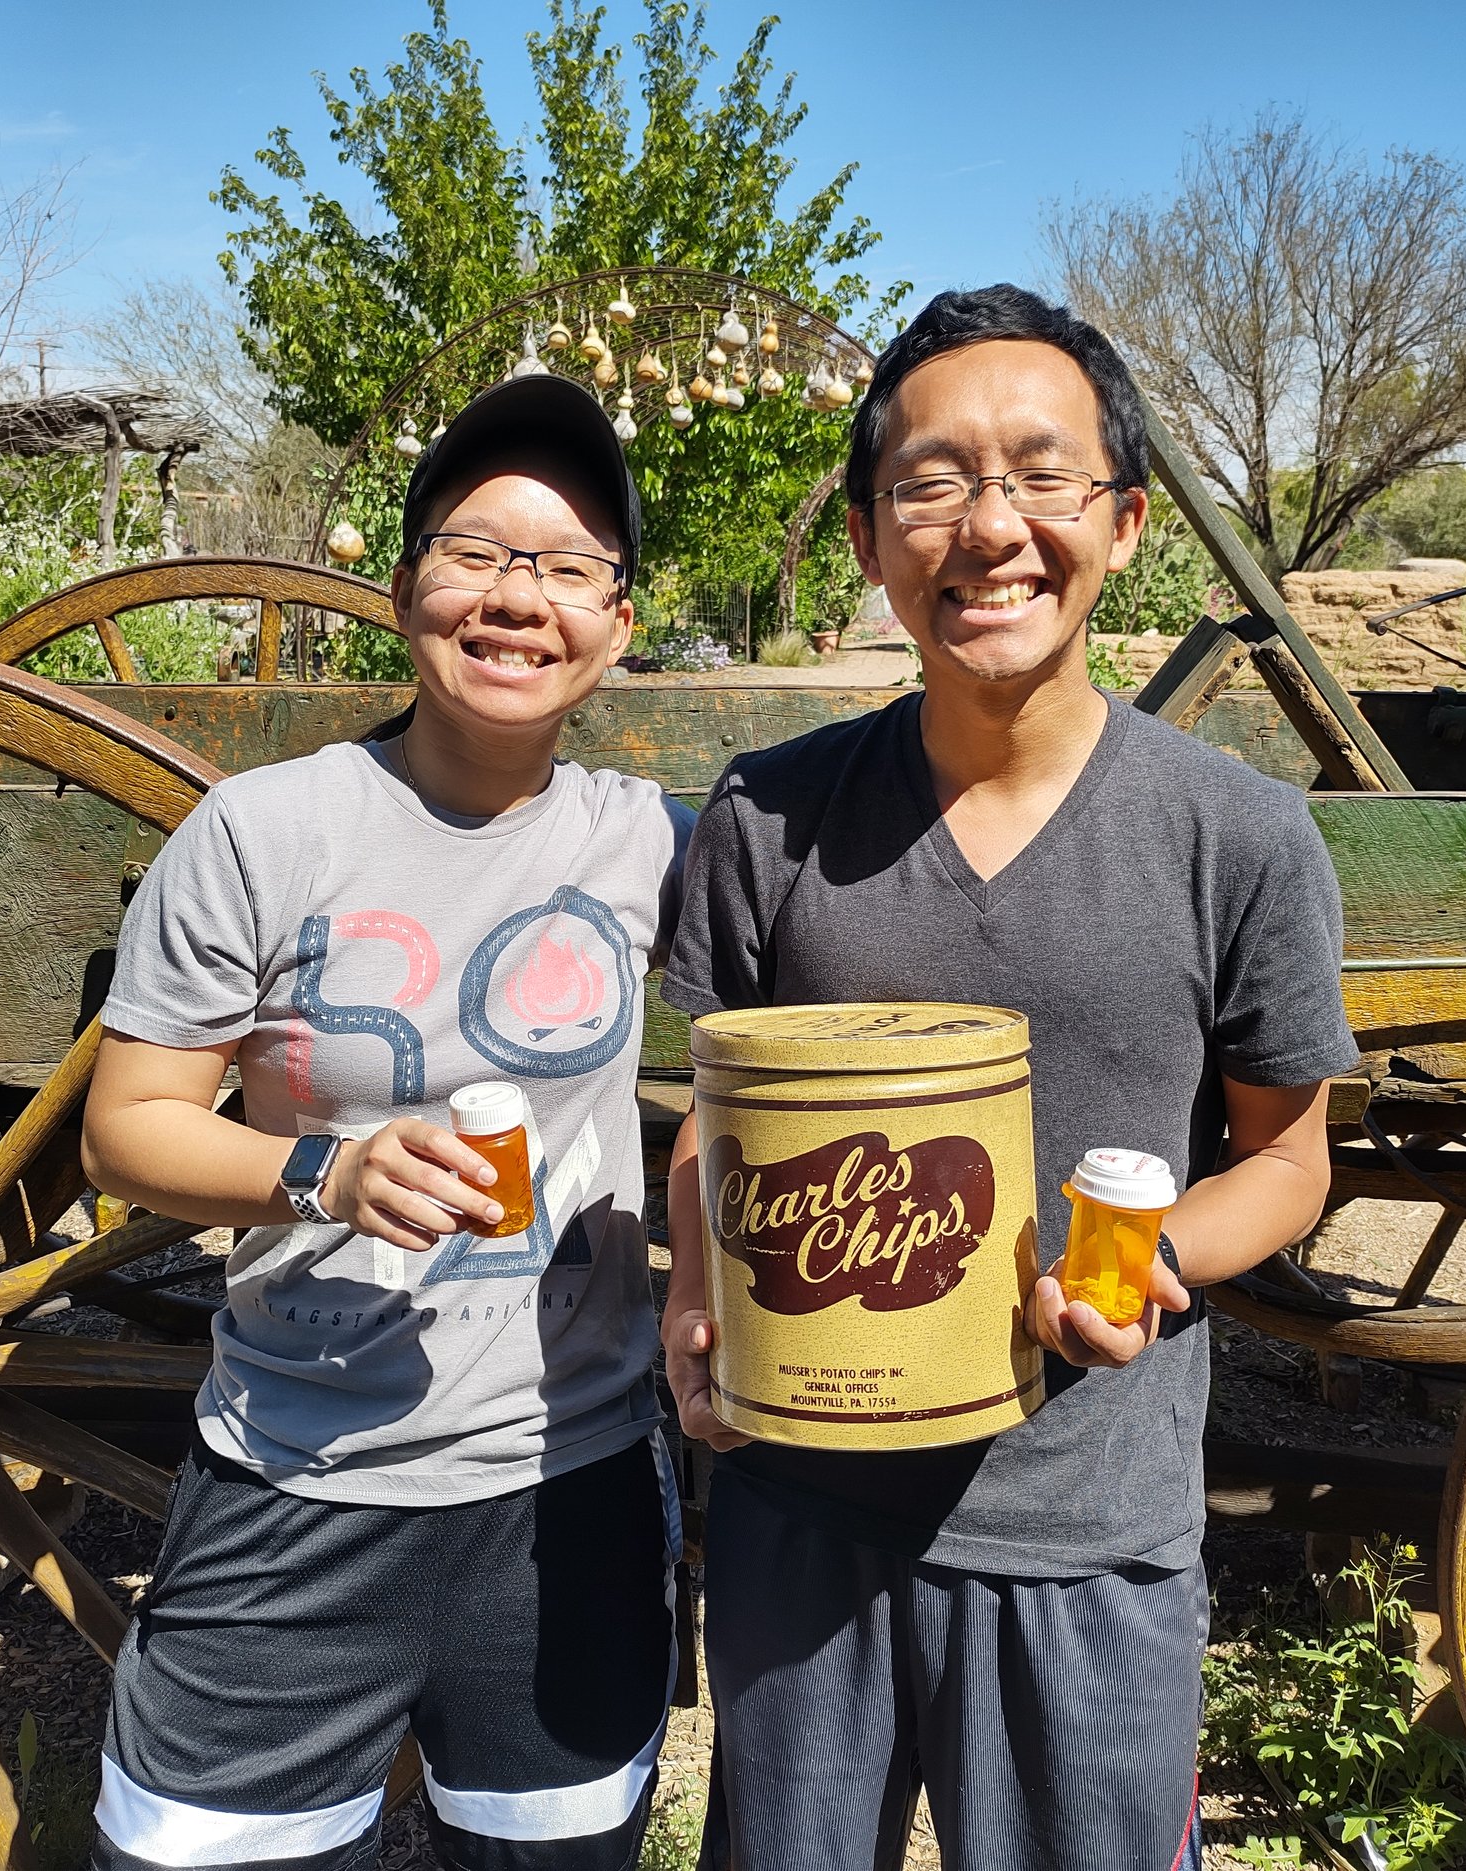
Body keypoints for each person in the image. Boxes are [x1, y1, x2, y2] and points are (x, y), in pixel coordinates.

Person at [660, 285, 1358, 1871]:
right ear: (865, 538)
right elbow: (713, 1129)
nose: (990, 529)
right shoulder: (767, 819)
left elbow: (1290, 1163)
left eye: (1041, 477)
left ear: (1119, 522)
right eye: (932, 481)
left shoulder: (1236, 839)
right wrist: (689, 1294)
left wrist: (1150, 1260)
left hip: (1083, 1526)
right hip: (800, 1509)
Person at [81, 372, 690, 1871]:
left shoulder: (641, 840)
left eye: (565, 568)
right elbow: (130, 1131)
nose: (516, 599)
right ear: (406, 584)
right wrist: (326, 1170)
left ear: (616, 624)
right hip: (300, 1472)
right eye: (477, 552)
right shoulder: (267, 831)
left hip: (574, 1492)